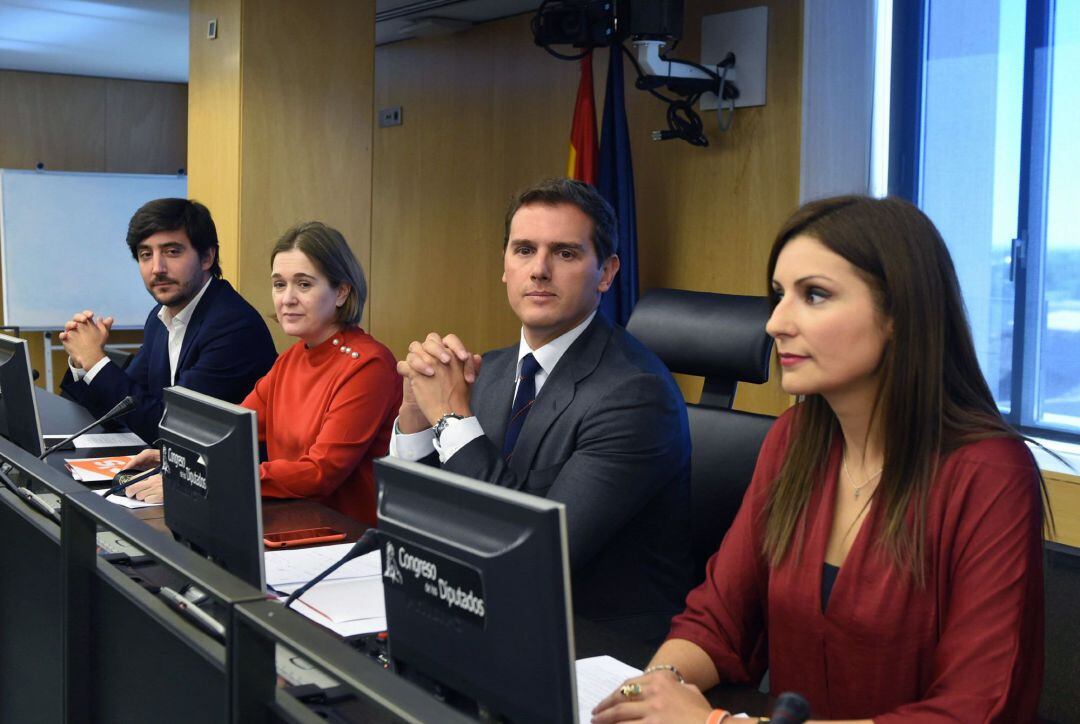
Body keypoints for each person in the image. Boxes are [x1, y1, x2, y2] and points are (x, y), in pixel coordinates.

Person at [592, 195, 1048, 723]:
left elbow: (974, 710)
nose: (775, 323)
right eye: (779, 295)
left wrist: (714, 723)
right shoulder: (795, 438)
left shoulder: (991, 474)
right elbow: (718, 617)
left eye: (814, 295)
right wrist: (653, 690)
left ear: (899, 313)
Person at [392, 178, 692, 642]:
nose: (539, 270)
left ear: (607, 272)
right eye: (524, 250)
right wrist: (416, 416)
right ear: (505, 267)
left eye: (565, 253)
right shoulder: (489, 370)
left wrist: (452, 418)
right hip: (481, 614)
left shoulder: (636, 395)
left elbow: (535, 558)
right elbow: (423, 520)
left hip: (590, 640)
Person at [124, 221, 401, 525]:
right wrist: (176, 457)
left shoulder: (368, 365)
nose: (287, 298)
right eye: (279, 284)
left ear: (341, 292)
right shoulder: (293, 358)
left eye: (304, 284)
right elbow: (230, 433)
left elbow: (320, 471)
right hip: (288, 520)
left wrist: (210, 475)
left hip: (343, 538)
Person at [59, 198, 277, 443]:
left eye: (172, 252)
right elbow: (119, 411)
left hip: (234, 476)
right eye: (145, 255)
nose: (157, 268)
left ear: (207, 257)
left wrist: (95, 361)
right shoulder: (159, 318)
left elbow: (175, 429)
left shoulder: (233, 326)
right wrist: (83, 361)